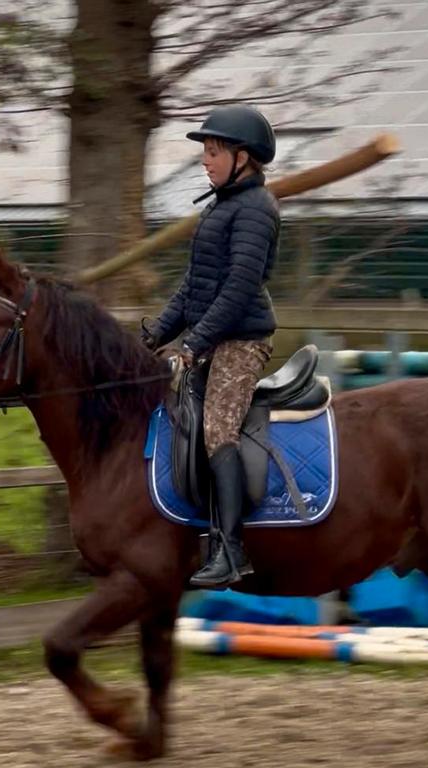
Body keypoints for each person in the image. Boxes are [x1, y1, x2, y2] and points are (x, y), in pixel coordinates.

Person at [142, 103, 280, 588]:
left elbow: (240, 287)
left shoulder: (256, 209)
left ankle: (231, 550)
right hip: (210, 338)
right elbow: (194, 286)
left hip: (241, 341)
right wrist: (156, 334)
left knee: (218, 428)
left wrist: (194, 343)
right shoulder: (220, 206)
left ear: (243, 157)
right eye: (206, 151)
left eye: (215, 151)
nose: (205, 160)